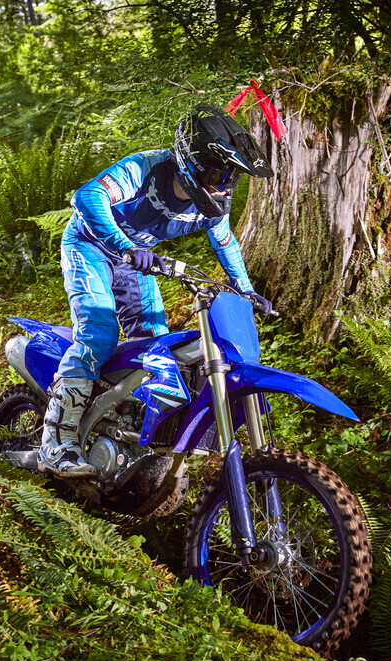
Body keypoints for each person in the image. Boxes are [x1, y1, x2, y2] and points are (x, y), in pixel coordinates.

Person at [39, 104, 274, 478]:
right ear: (191, 163)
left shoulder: (214, 206)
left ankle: (122, 433)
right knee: (98, 334)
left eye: (231, 178)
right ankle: (56, 443)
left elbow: (225, 241)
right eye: (218, 174)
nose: (223, 186)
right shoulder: (145, 169)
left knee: (154, 344)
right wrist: (125, 246)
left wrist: (245, 290)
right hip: (90, 245)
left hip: (136, 258)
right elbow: (87, 197)